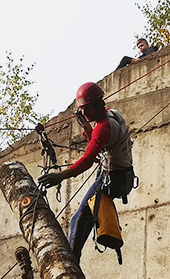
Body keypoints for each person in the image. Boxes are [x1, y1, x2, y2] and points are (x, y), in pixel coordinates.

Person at [37, 82, 134, 263]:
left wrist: (60, 176)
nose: (83, 113)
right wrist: (88, 129)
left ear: (97, 105)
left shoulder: (103, 128)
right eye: (81, 109)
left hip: (112, 179)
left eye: (86, 109)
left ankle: (71, 263)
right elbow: (102, 144)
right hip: (123, 176)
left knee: (79, 219)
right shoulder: (113, 114)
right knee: (83, 219)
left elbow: (88, 161)